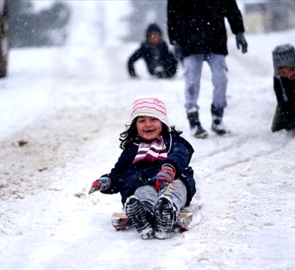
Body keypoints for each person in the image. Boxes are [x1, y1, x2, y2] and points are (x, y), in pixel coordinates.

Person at [88, 97, 196, 240]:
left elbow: (180, 154)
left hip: (171, 179)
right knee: (143, 193)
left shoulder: (172, 142)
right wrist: (107, 182)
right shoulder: (132, 149)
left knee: (174, 190)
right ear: (135, 125)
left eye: (153, 119)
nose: (147, 124)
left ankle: (167, 211)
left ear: (162, 122)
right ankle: (143, 216)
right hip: (143, 183)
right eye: (141, 121)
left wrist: (169, 168)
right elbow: (118, 172)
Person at [167, 0, 248, 138]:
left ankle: (217, 117)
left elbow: (231, 8)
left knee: (221, 78)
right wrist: (175, 40)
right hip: (189, 41)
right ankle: (193, 120)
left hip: (215, 39)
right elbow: (173, 14)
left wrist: (239, 31)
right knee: (192, 81)